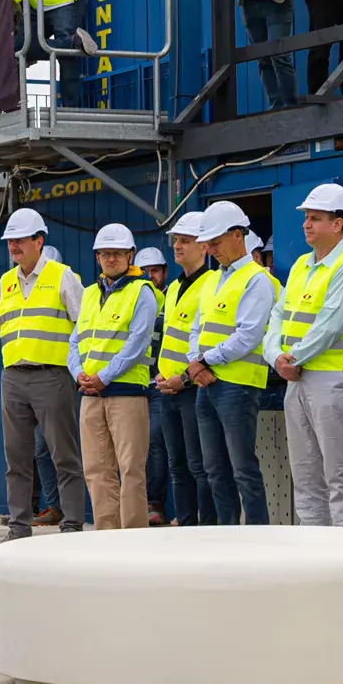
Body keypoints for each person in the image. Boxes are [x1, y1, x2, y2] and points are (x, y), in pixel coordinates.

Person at [266, 183, 343, 528]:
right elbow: (277, 316)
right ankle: (314, 554)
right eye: (306, 218)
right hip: (297, 378)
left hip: (332, 379)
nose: (306, 224)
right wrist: (276, 357)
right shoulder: (301, 265)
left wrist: (291, 359)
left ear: (338, 223)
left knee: (340, 471)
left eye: (315, 218)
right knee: (305, 472)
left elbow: (332, 323)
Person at [0, 209, 86, 540]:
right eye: (10, 241)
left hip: (52, 376)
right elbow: (2, 330)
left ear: (39, 241)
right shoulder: (4, 283)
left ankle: (72, 523)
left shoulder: (63, 277)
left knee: (64, 455)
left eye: (20, 240)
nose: (13, 246)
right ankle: (19, 527)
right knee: (16, 458)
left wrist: (77, 371)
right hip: (13, 378)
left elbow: (83, 327)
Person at [184, 201, 278, 525]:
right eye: (207, 244)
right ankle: (227, 538)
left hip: (237, 386)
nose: (210, 250)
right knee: (214, 471)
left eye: (216, 242)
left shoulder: (257, 280)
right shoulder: (212, 280)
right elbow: (196, 328)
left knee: (243, 470)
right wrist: (195, 363)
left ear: (238, 235)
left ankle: (256, 540)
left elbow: (248, 336)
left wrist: (202, 362)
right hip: (206, 384)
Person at [69, 224, 157, 530]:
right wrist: (78, 373)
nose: (111, 258)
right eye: (105, 253)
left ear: (129, 255)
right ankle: (106, 536)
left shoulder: (142, 292)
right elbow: (75, 340)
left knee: (131, 469)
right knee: (95, 469)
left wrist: (104, 376)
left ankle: (133, 538)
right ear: (97, 257)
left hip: (126, 393)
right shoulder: (90, 294)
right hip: (91, 394)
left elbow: (138, 342)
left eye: (117, 253)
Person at [153, 214, 215, 527]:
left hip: (192, 388)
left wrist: (185, 379)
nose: (177, 246)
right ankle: (187, 522)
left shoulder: (211, 284)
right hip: (167, 387)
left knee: (198, 464)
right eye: (176, 240)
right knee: (176, 464)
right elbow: (169, 336)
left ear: (204, 246)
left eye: (184, 240)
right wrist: (161, 374)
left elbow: (205, 340)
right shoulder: (174, 286)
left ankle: (205, 525)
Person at [135, 246, 171, 526]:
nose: (151, 276)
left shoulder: (171, 298)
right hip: (134, 383)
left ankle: (155, 503)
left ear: (164, 272)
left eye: (155, 271)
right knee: (134, 446)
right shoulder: (133, 297)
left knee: (157, 442)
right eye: (145, 271)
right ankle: (138, 504)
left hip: (160, 384)